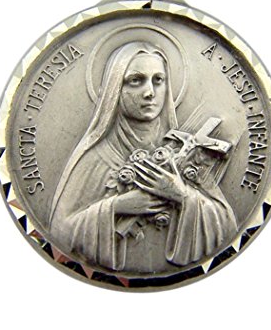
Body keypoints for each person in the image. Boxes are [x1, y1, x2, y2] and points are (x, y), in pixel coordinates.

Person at [50, 41, 237, 273]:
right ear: (115, 88)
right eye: (136, 80)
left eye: (158, 80)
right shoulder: (95, 158)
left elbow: (227, 226)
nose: (150, 93)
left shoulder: (182, 151)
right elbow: (60, 233)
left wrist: (181, 195)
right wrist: (117, 206)